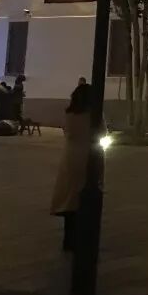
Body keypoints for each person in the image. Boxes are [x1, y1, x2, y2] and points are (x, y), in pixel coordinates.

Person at [50, 81, 93, 251]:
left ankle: (68, 238)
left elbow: (66, 131)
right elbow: (102, 132)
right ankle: (82, 237)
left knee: (69, 196)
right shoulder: (93, 115)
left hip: (69, 156)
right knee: (85, 196)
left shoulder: (69, 114)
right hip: (88, 156)